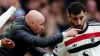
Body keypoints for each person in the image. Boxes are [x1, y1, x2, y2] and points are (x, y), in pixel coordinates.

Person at [0, 9, 79, 56]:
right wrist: (65, 34)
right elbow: (40, 42)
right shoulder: (18, 30)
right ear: (33, 23)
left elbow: (29, 45)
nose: (43, 28)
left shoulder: (26, 23)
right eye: (41, 24)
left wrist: (44, 54)